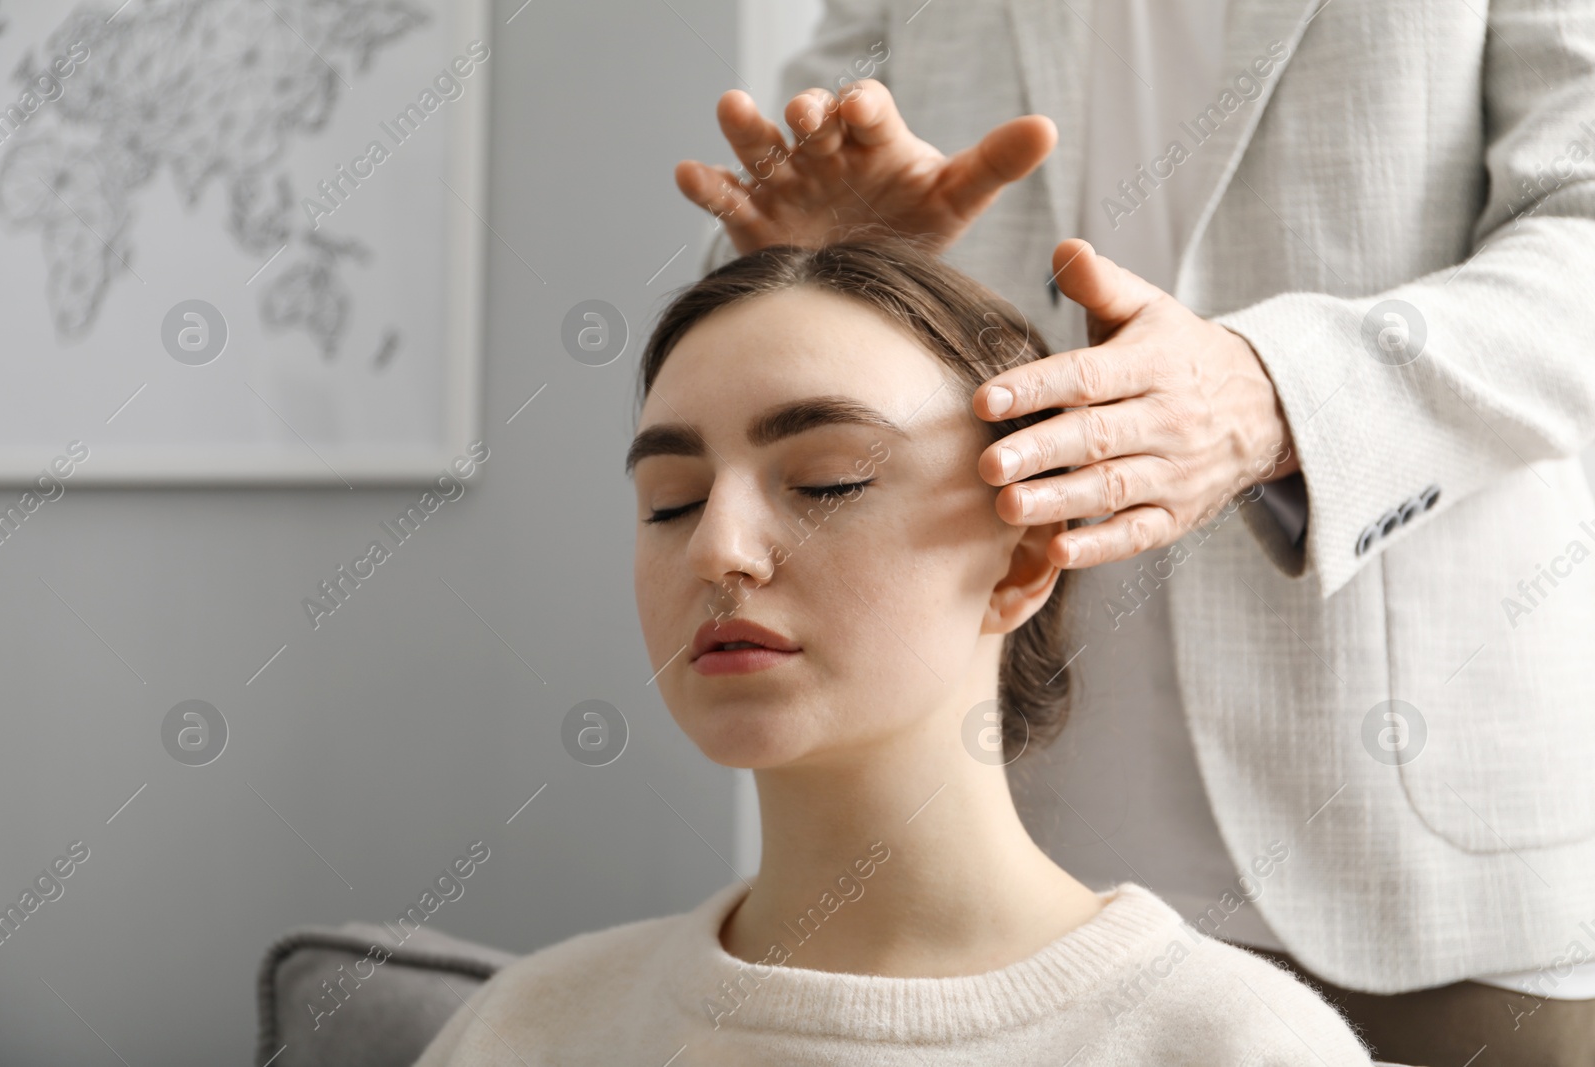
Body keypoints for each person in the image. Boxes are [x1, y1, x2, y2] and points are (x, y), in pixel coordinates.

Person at [673, 1, 1595, 1064]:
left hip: (1428, 852)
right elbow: (788, 261)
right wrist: (839, 273)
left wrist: (1274, 394)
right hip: (1007, 853)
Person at [409, 237, 1375, 1065]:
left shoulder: (1231, 1044)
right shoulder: (525, 1031)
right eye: (672, 498)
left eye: (826, 481)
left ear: (1022, 560)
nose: (716, 547)